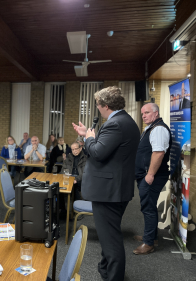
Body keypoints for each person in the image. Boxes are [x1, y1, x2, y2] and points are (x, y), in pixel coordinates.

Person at [73, 86, 140, 281]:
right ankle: (105, 268)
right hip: (116, 189)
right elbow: (104, 151)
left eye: (98, 105)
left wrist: (89, 138)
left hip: (109, 192)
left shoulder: (116, 124)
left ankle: (113, 277)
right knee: (109, 234)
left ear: (106, 106)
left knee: (111, 240)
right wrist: (87, 135)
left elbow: (98, 153)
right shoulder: (126, 121)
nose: (97, 108)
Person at [134, 103, 171, 255]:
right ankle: (151, 236)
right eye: (142, 113)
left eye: (147, 113)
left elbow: (158, 153)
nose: (143, 116)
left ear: (156, 113)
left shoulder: (159, 129)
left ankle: (149, 243)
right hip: (146, 175)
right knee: (148, 206)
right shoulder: (151, 128)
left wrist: (150, 174)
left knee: (148, 208)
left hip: (152, 176)